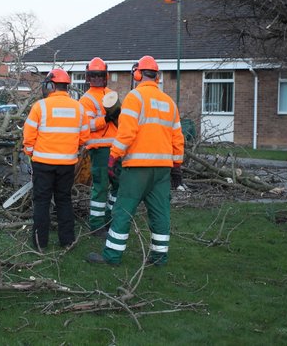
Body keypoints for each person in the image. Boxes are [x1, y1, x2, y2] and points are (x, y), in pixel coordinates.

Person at [86, 55, 184, 266]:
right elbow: (177, 137)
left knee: (122, 211)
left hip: (137, 168)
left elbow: (127, 133)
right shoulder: (169, 102)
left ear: (138, 74)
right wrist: (177, 165)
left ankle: (112, 256)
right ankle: (159, 257)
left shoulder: (134, 98)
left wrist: (113, 156)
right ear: (157, 76)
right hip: (162, 170)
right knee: (160, 213)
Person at [23, 68, 90, 251]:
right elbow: (84, 137)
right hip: (67, 164)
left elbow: (28, 136)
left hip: (43, 163)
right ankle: (67, 241)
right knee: (64, 201)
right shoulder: (78, 108)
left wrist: (30, 153)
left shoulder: (40, 106)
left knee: (42, 202)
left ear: (51, 85)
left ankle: (39, 243)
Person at [78, 57, 120, 236]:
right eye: (93, 75)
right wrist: (106, 119)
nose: (96, 78)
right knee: (101, 187)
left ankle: (111, 218)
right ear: (88, 77)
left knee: (119, 184)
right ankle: (96, 225)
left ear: (105, 76)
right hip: (99, 149)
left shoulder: (111, 95)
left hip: (116, 148)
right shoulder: (86, 100)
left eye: (99, 75)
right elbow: (87, 126)